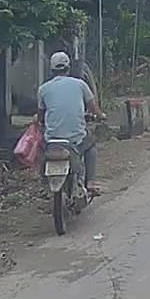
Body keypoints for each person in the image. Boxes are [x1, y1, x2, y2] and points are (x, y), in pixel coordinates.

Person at [38, 52, 105, 194]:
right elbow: (93, 107)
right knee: (91, 146)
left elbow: (40, 115)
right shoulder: (80, 85)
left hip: (52, 139)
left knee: (41, 148)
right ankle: (90, 181)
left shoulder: (43, 89)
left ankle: (43, 183)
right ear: (68, 68)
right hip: (75, 138)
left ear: (51, 70)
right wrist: (100, 116)